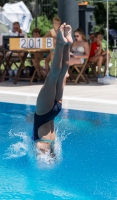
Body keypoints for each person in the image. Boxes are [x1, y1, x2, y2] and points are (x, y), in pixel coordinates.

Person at [32, 23, 73, 156]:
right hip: (44, 114)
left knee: (62, 72)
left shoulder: (49, 144)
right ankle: (61, 43)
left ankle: (67, 44)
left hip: (56, 110)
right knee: (54, 74)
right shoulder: (40, 144)